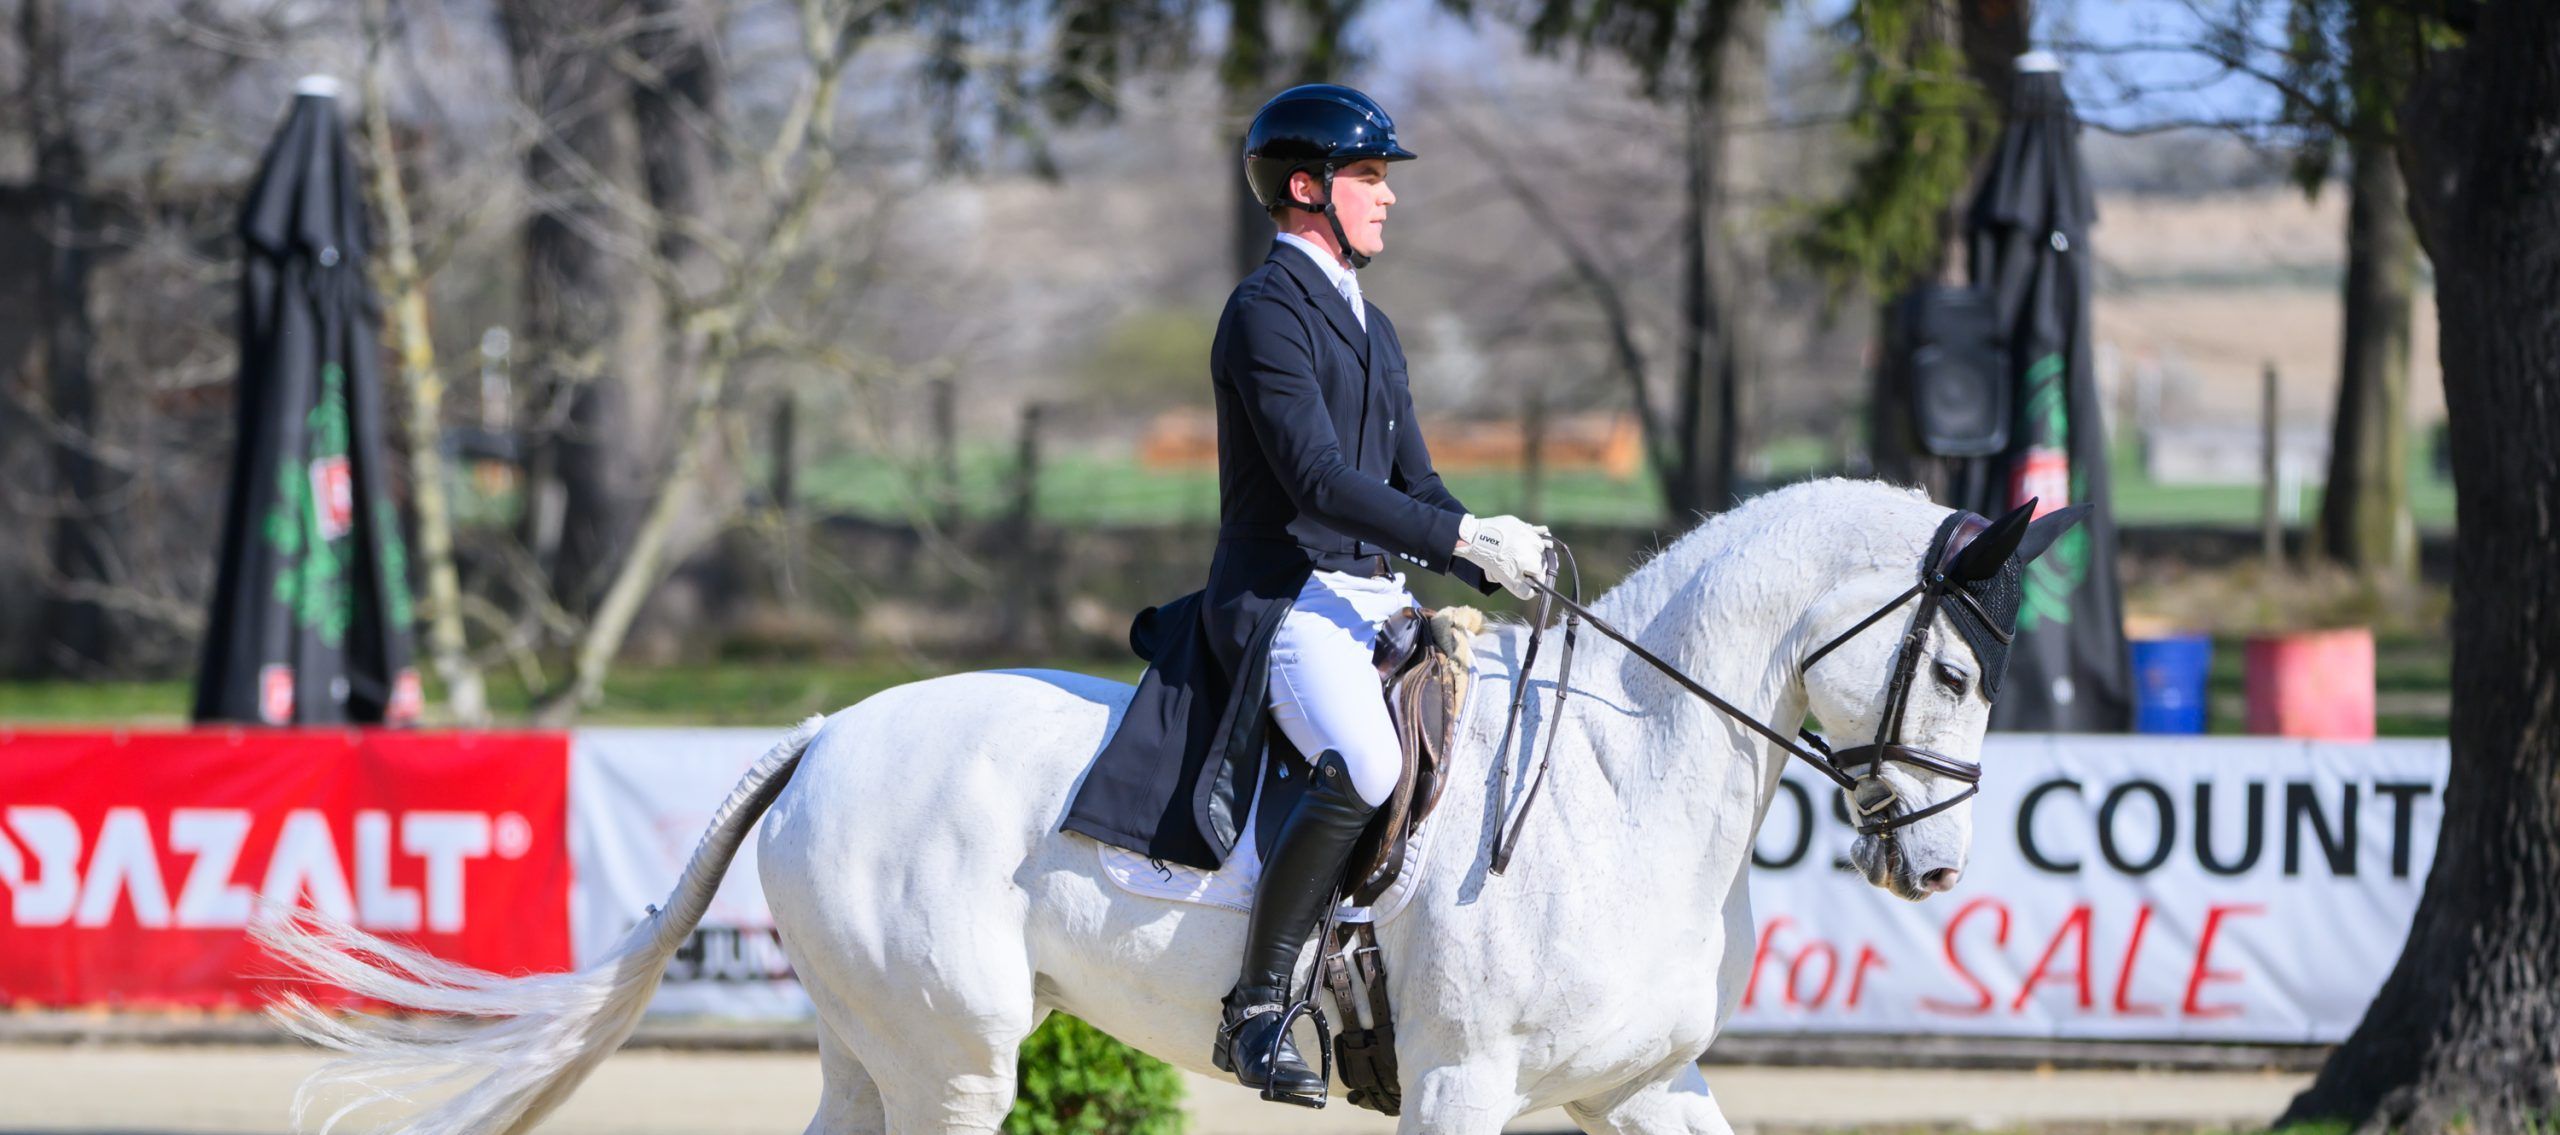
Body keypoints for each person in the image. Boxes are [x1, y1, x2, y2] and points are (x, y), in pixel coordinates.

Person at [1199, 82, 1551, 1102]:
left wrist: (1490, 552)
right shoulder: (1266, 313)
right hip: (1285, 598)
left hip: (1367, 598)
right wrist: (1458, 537)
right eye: (1366, 175)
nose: (1388, 194)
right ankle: (1256, 1009)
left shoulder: (1374, 325)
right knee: (1365, 759)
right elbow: (1316, 480)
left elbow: (1416, 487)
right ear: (1306, 188)